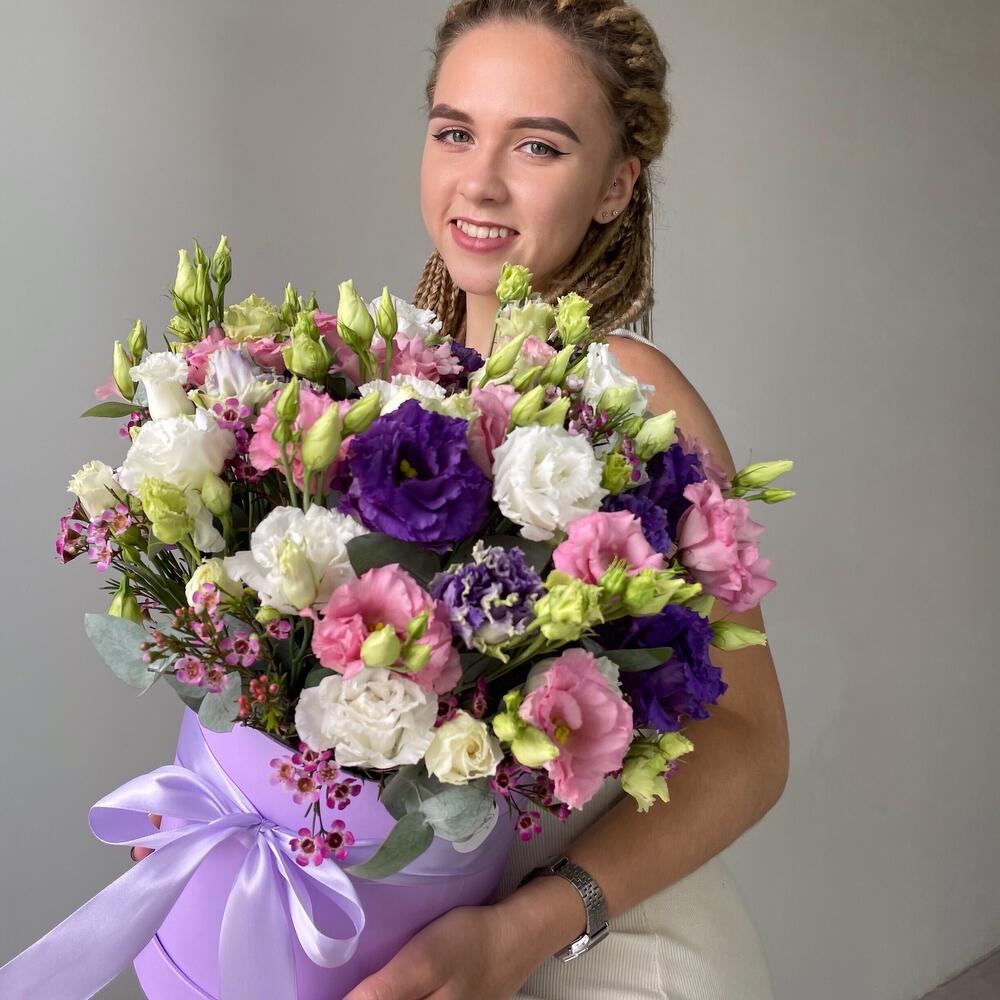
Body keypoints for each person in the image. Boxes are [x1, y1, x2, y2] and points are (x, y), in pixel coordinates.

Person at [136, 3, 790, 998]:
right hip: (428, 941)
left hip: (607, 950)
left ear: (617, 184)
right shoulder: (382, 388)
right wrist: (226, 823)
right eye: (455, 131)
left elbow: (751, 743)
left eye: (538, 145)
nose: (479, 181)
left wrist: (526, 929)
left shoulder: (626, 393)